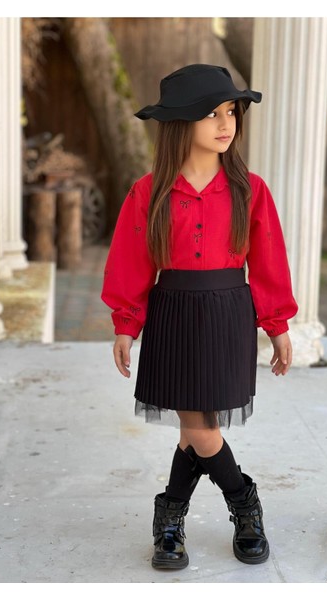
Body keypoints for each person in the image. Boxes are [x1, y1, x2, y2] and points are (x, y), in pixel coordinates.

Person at [101, 64, 298, 570]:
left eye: (231, 111)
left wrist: (277, 326)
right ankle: (242, 506)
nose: (225, 122)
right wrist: (126, 324)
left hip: (228, 314)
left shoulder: (250, 189)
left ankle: (173, 518)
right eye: (211, 113)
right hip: (173, 314)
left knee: (196, 431)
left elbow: (269, 262)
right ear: (179, 123)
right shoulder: (149, 192)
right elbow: (131, 261)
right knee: (199, 426)